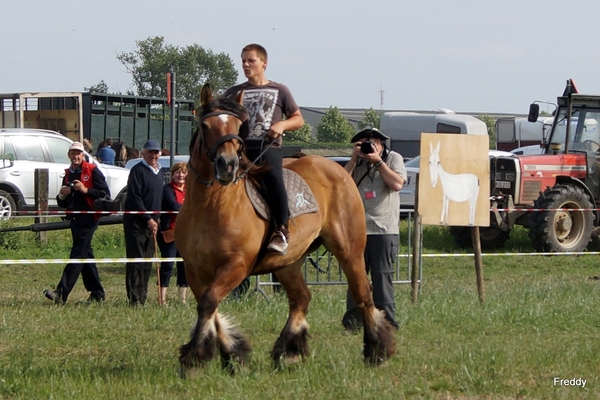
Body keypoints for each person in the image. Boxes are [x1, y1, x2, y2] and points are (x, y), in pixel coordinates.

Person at [224, 43, 304, 255]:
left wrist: (282, 125)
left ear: (264, 63)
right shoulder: (233, 92)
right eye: (243, 60)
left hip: (267, 146)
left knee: (274, 180)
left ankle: (282, 230)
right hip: (240, 150)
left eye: (251, 60)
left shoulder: (279, 90)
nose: (246, 64)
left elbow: (298, 119)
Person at [341, 127, 406, 333]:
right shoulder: (358, 161)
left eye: (372, 142)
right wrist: (353, 160)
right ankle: (353, 321)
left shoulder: (393, 158)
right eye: (364, 143)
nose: (368, 146)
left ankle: (387, 322)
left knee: (381, 276)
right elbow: (340, 185)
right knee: (356, 276)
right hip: (357, 230)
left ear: (381, 144)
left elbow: (397, 184)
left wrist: (378, 162)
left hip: (384, 229)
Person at [44, 141, 110, 304]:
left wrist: (86, 190)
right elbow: (62, 203)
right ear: (69, 155)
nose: (75, 156)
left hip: (89, 218)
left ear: (83, 155)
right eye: (73, 153)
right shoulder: (68, 173)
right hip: (74, 218)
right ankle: (97, 293)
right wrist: (62, 195)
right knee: (85, 254)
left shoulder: (92, 170)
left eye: (78, 153)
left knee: (78, 253)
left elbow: (105, 194)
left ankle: (61, 292)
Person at [123, 139, 164, 306]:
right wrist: (148, 219)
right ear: (143, 153)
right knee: (136, 260)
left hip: (153, 223)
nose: (153, 155)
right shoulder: (137, 170)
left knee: (147, 260)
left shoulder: (159, 172)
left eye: (156, 152)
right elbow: (135, 198)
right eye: (150, 152)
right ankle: (134, 297)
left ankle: (143, 295)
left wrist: (156, 219)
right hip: (137, 222)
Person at [157, 162, 188, 304]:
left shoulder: (190, 190)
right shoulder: (167, 189)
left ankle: (182, 299)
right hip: (169, 232)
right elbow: (172, 204)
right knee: (167, 265)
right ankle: (162, 298)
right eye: (177, 172)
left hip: (186, 234)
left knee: (184, 266)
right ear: (172, 174)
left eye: (183, 172)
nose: (180, 175)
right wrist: (190, 209)